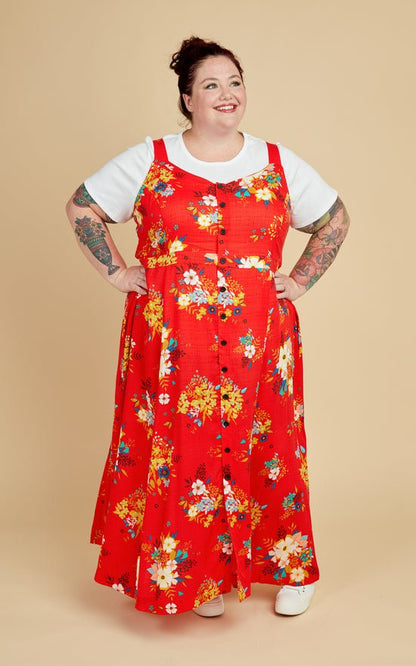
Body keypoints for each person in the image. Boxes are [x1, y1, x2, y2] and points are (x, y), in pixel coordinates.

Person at [65, 36, 350, 618]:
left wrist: (299, 281)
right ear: (188, 100)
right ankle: (203, 577)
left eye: (235, 82)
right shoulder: (149, 159)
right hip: (172, 340)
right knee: (181, 450)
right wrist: (117, 272)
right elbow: (82, 207)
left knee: (270, 445)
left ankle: (291, 568)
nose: (227, 94)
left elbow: (335, 221)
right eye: (211, 85)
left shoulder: (278, 161)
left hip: (259, 339)